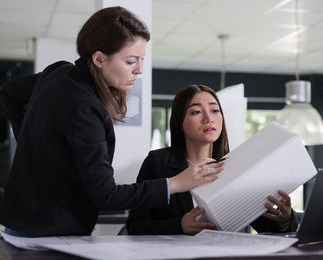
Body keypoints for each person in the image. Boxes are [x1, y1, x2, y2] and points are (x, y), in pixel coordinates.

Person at [0, 7, 224, 237]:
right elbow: (107, 196)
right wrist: (175, 184)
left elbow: (10, 93)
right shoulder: (85, 108)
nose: (140, 70)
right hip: (47, 230)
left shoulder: (60, 72)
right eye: (130, 61)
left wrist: (31, 142)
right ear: (99, 59)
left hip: (23, 219)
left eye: (141, 59)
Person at [126, 84, 298, 235]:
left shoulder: (235, 166)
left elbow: (265, 226)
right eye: (196, 112)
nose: (209, 119)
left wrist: (285, 219)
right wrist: (179, 226)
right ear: (180, 122)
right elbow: (135, 225)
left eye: (215, 110)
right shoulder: (158, 162)